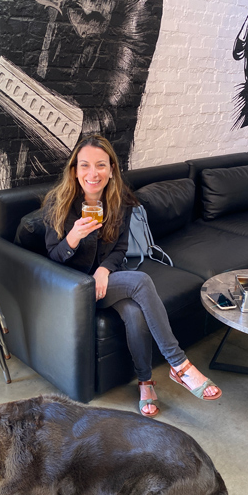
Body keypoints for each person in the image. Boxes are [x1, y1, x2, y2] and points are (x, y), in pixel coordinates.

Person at [43, 134, 222, 417]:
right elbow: (53, 257)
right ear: (75, 170)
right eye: (85, 165)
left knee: (135, 314)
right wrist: (73, 238)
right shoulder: (60, 204)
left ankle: (145, 382)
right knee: (141, 281)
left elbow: (121, 248)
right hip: (75, 287)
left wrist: (104, 270)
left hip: (108, 282)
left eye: (101, 165)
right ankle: (179, 365)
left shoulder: (121, 202)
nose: (93, 173)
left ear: (111, 169)